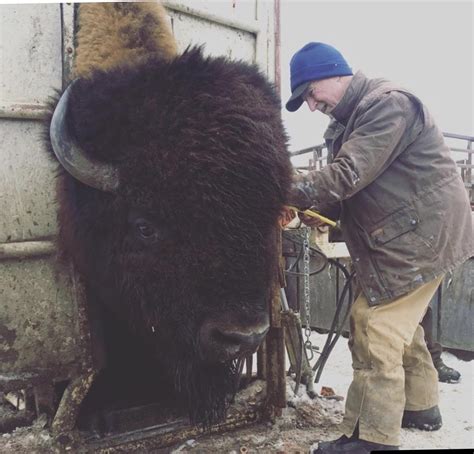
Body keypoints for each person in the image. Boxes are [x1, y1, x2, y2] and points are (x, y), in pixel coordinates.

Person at [284, 42, 473, 453]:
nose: (313, 107)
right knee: (401, 327)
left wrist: (277, 188)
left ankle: (371, 438)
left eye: (312, 95)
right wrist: (310, 208)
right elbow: (349, 186)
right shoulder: (352, 119)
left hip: (422, 236)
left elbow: (349, 174)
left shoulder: (387, 106)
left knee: (375, 325)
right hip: (412, 234)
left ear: (334, 74)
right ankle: (421, 406)